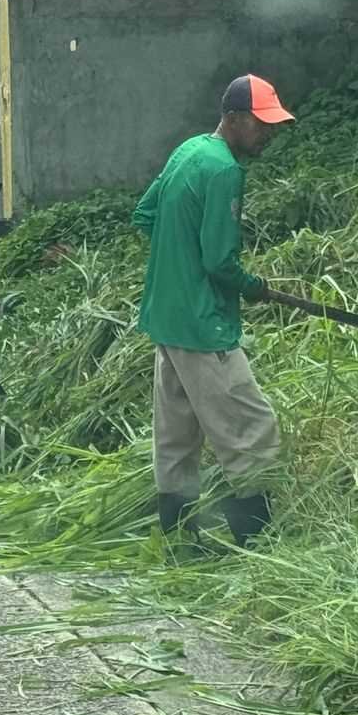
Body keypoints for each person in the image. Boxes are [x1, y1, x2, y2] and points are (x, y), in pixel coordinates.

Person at [133, 74, 295, 550]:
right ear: (234, 118)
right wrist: (253, 287)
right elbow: (219, 262)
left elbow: (145, 215)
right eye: (261, 124)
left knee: (177, 437)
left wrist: (175, 258)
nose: (269, 133)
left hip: (166, 319)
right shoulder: (225, 170)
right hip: (204, 325)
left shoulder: (188, 150)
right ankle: (257, 543)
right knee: (251, 429)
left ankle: (181, 542)